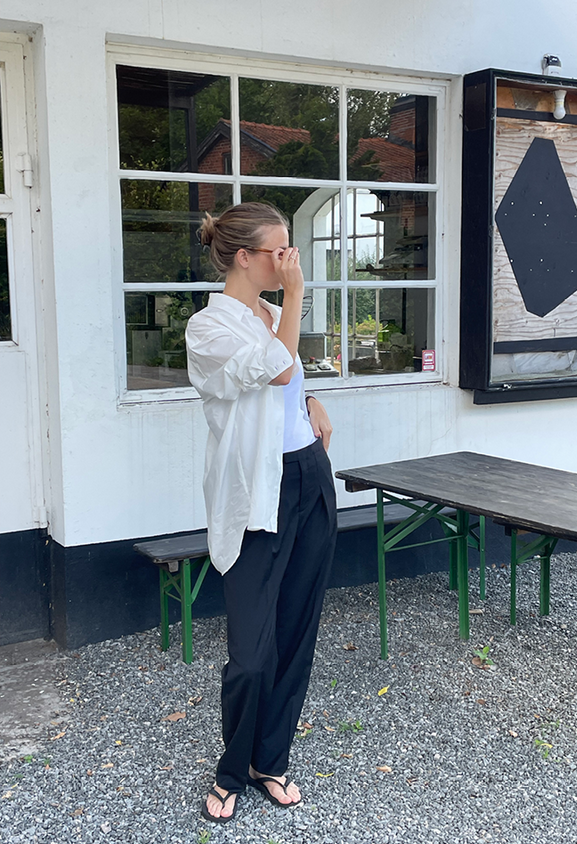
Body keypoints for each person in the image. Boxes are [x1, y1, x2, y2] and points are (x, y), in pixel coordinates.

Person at [185, 201, 338, 823]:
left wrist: (313, 401)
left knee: (298, 631)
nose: (290, 260)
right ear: (245, 257)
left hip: (308, 477)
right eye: (281, 250)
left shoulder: (274, 316)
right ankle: (231, 769)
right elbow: (273, 369)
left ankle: (269, 759)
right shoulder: (208, 329)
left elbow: (288, 385)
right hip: (256, 494)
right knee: (251, 652)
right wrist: (297, 296)